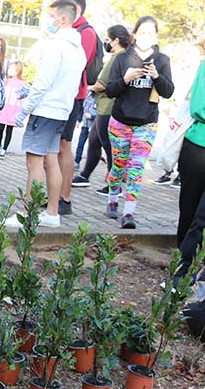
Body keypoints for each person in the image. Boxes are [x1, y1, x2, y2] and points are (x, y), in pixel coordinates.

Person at [6, 0, 86, 229]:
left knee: (34, 163)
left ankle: (27, 215)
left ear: (63, 19)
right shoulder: (78, 49)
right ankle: (52, 212)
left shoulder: (56, 45)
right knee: (51, 160)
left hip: (45, 110)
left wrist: (25, 110)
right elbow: (65, 83)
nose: (48, 20)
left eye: (51, 16)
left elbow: (44, 82)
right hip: (61, 111)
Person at [103, 15, 174, 229]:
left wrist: (157, 77)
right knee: (119, 166)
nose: (146, 36)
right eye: (142, 32)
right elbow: (110, 90)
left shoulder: (162, 60)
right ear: (134, 34)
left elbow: (168, 91)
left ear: (156, 35)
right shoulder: (122, 59)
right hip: (120, 121)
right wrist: (126, 79)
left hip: (147, 123)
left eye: (150, 33)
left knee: (136, 168)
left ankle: (129, 213)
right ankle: (112, 200)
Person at [72, 25, 131, 192]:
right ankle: (85, 175)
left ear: (116, 41)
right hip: (105, 106)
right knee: (94, 141)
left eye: (108, 39)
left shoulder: (116, 59)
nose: (106, 42)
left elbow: (102, 84)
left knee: (108, 146)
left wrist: (86, 88)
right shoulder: (123, 58)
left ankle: (114, 185)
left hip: (108, 107)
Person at [57, 0, 99, 216]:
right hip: (64, 95)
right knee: (57, 147)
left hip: (73, 96)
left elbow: (77, 65)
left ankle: (64, 198)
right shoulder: (70, 32)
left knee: (64, 146)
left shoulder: (86, 32)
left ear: (77, 10)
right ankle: (55, 195)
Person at [175, 33, 205, 279]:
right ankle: (182, 267)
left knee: (201, 217)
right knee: (189, 209)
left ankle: (187, 270)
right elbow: (199, 107)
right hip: (199, 149)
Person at [0, 61, 25, 158]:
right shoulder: (6, 81)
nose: (9, 70)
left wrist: (21, 112)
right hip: (5, 108)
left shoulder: (22, 83)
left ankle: (4, 149)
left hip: (14, 109)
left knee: (9, 130)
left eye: (12, 69)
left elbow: (23, 99)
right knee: (0, 128)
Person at [74, 92, 96, 166]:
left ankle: (90, 164)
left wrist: (92, 117)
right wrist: (79, 120)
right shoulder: (88, 95)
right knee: (80, 144)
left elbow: (103, 115)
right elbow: (82, 109)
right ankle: (77, 161)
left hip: (94, 127)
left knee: (93, 146)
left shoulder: (101, 98)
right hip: (85, 125)